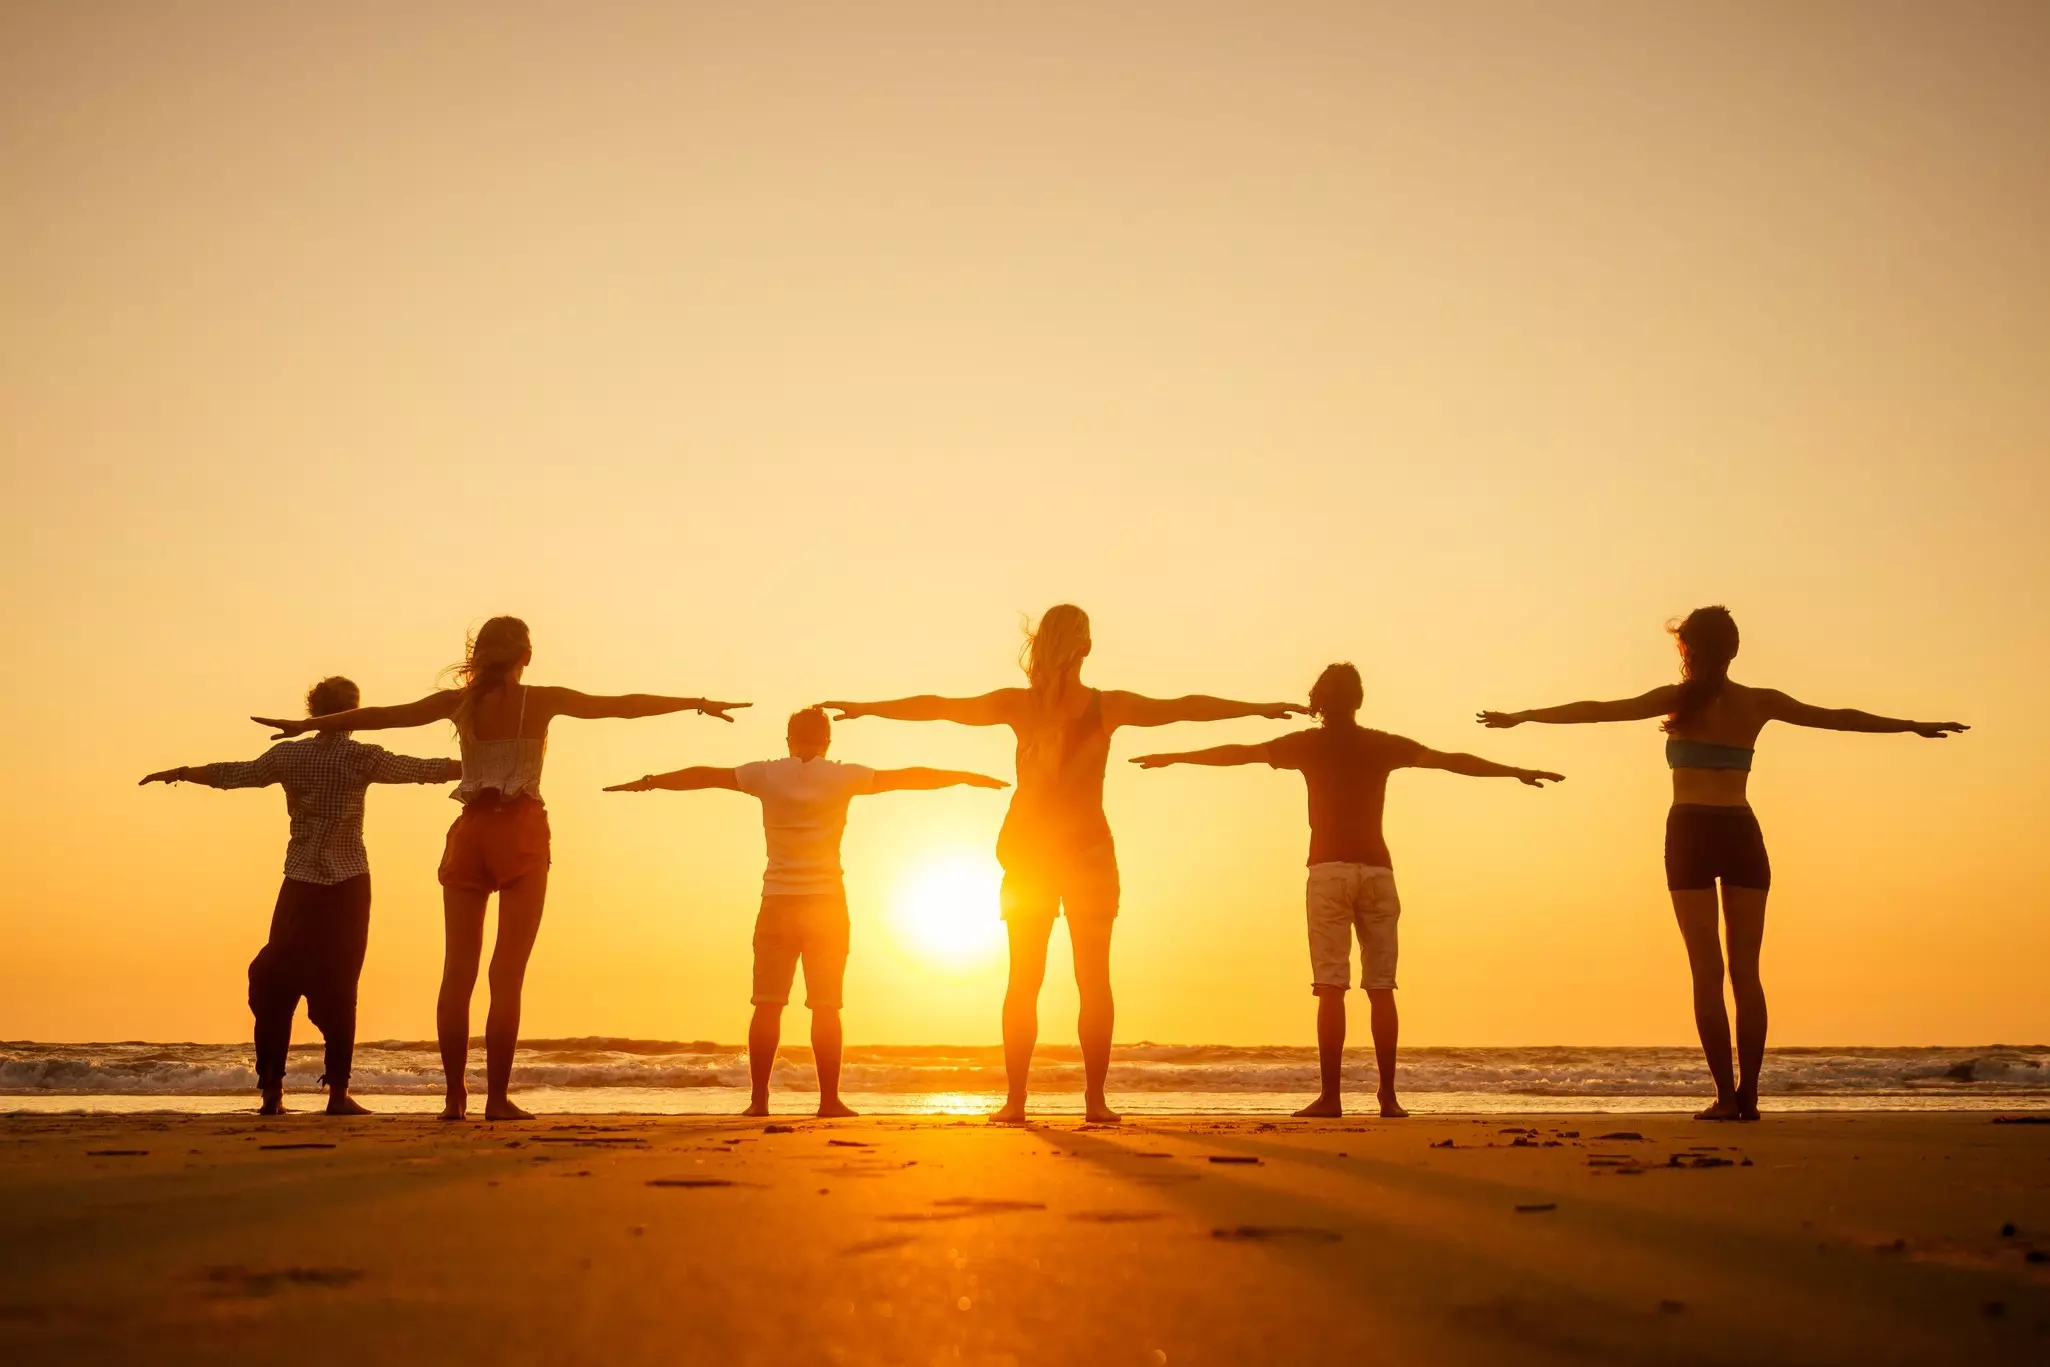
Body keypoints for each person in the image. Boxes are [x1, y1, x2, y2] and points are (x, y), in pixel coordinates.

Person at [820, 603, 1308, 1124]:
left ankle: (1015, 1103)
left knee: (1023, 980)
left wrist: (868, 707)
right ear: (1087, 647)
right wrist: (1257, 707)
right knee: (1093, 980)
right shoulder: (1106, 705)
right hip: (1085, 852)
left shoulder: (1017, 704)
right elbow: (1184, 707)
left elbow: (939, 706)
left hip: (1030, 851)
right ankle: (1095, 1104)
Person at [1479, 605, 1966, 1121]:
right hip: (1740, 829)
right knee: (1746, 975)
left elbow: (1599, 708)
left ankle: (1726, 1098)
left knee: (1706, 974)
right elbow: (1840, 719)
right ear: (1734, 649)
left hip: (1689, 829)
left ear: (1687, 651)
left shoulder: (1676, 700)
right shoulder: (1759, 703)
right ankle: (1748, 1096)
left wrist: (1526, 715)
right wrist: (1912, 725)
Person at [252, 616, 746, 1121]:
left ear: (480, 654)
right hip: (521, 832)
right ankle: (496, 1100)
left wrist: (309, 727)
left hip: (468, 835)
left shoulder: (457, 704)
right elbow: (619, 707)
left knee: (456, 974)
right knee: (506, 975)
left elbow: (386, 716)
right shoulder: (541, 699)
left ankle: (453, 1101)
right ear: (526, 656)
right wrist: (696, 703)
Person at [1132, 662, 1562, 1119]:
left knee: (1331, 987)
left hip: (1329, 872)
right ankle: (1389, 1098)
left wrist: (1174, 757)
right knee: (1381, 988)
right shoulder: (1381, 744)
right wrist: (1515, 770)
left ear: (1317, 701)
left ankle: (1331, 1098)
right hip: (1378, 872)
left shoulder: (1307, 744)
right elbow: (1452, 761)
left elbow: (1239, 752)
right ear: (1358, 700)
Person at [604, 706, 1008, 1118]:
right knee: (826, 1006)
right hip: (827, 904)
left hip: (777, 902)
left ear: (788, 739)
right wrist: (964, 776)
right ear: (828, 741)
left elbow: (704, 775)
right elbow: (908, 777)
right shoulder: (843, 776)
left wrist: (648, 783)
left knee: (767, 1005)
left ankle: (759, 1102)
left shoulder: (764, 774)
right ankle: (828, 1101)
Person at [143, 675, 459, 1116]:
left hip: (300, 882)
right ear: (355, 714)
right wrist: (483, 765)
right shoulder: (360, 755)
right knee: (340, 984)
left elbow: (234, 775)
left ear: (312, 711)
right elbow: (419, 769)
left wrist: (181, 773)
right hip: (348, 884)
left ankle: (272, 1092)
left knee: (277, 979)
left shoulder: (290, 755)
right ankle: (336, 1094)